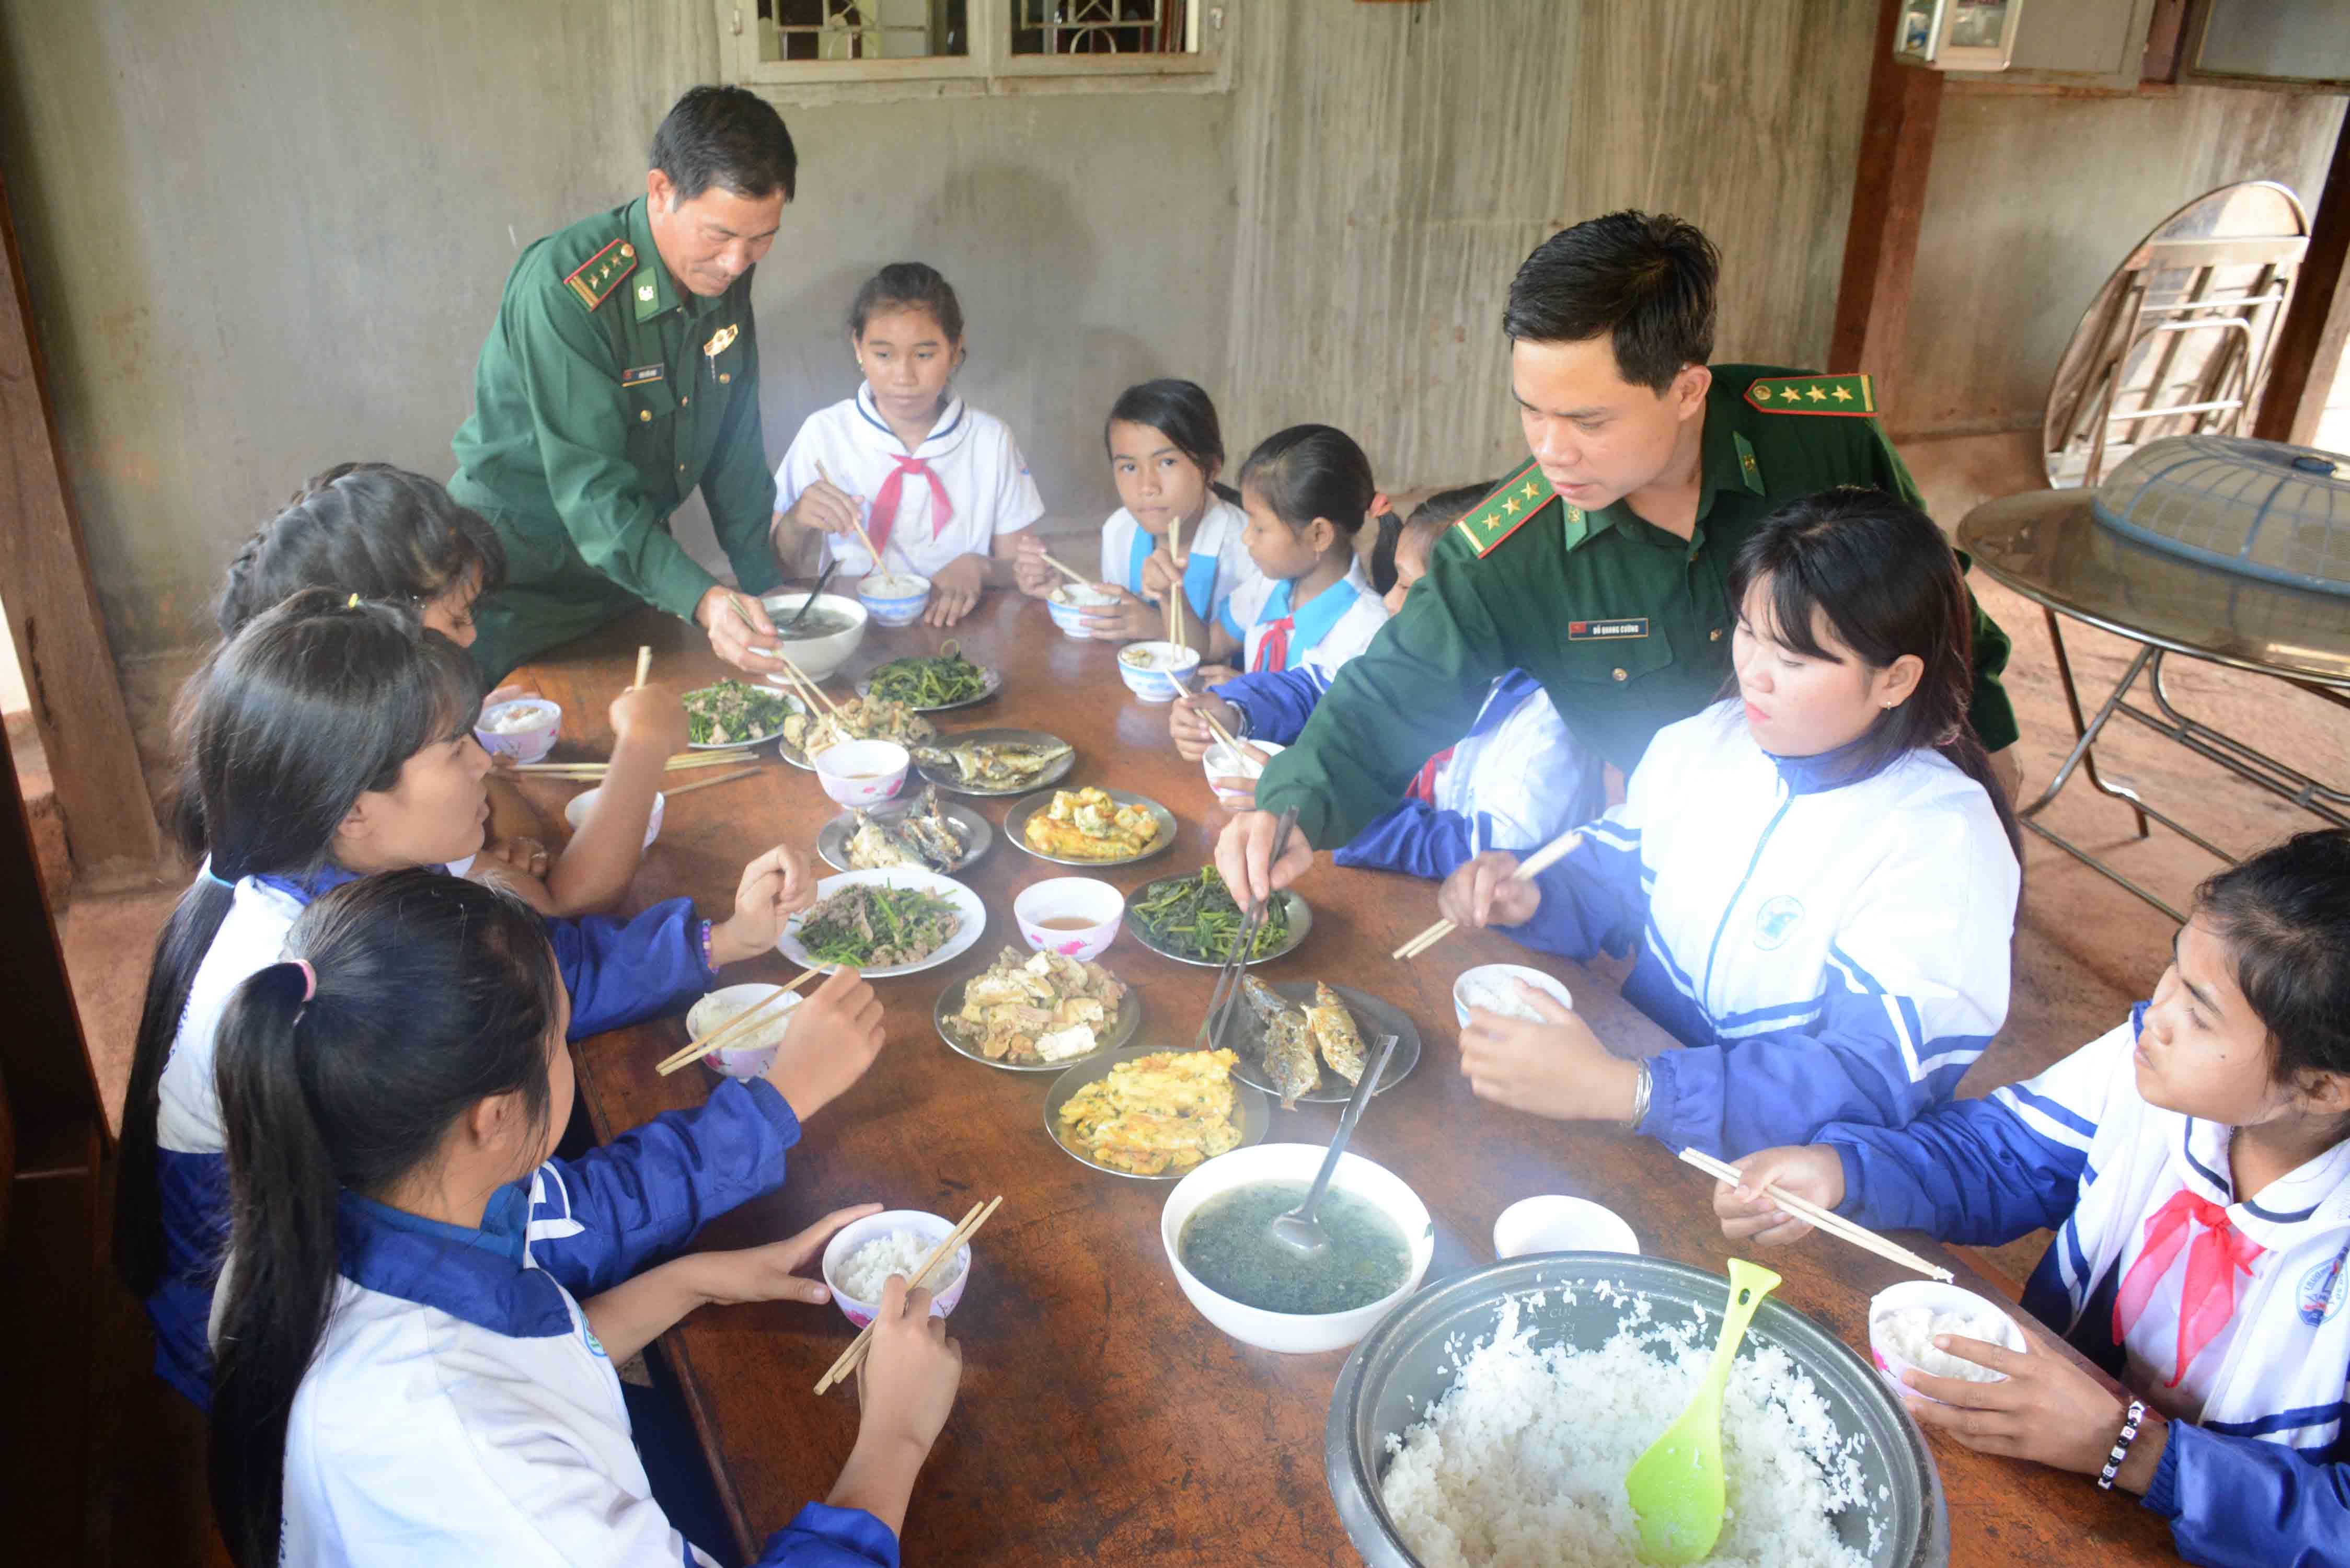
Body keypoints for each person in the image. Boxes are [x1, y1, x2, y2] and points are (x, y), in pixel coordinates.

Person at [111, 590, 862, 1409]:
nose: (485, 761)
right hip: (315, 1372)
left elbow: (522, 967)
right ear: (354, 808)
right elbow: (548, 1226)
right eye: (450, 748)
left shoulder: (312, 875)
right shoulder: (335, 985)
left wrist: (719, 941)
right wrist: (777, 1103)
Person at [1214, 211, 2021, 906]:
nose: (1549, 451)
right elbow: (1393, 695)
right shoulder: (1513, 548)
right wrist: (1290, 808)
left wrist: (1994, 770)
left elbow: (1941, 615)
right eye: (1531, 412)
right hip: (1685, 865)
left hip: (1870, 834)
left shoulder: (1821, 441)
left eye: (1588, 421)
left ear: (1687, 390)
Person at [207, 870, 950, 1567]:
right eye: (561, 1042)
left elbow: (516, 1364)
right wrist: (896, 1437)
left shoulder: (315, 1211)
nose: (568, 1056)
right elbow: (493, 1410)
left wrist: (688, 1282)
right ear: (493, 1118)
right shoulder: (476, 1461)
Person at [1714, 830, 2350, 1567]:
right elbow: (2004, 1155)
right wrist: (1848, 1171)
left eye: (2201, 1015)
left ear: (2321, 1087)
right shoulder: (2148, 1070)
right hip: (2045, 1489)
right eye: (2175, 967)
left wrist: (2139, 1453)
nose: (2157, 1009)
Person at [1434, 488, 2021, 1157]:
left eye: (1793, 660)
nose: (1752, 676)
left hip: (1777, 1183)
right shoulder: (1706, 743)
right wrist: (1533, 891)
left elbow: (1868, 1073)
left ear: (1894, 679)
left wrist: (1633, 1092)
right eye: (1747, 631)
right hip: (1631, 1099)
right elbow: (1620, 869)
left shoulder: (1942, 841)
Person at [450, 86, 802, 683]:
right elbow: (590, 491)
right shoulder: (568, 290)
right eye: (720, 235)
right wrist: (703, 597)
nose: (739, 262)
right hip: (513, 588)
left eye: (762, 237)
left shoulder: (721, 274)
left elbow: (734, 451)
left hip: (623, 581)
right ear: (661, 190)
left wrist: (771, 592)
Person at [216, 463, 670, 917]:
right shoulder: (371, 813)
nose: (470, 636)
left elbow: (522, 842)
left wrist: (457, 741)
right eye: (455, 619)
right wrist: (643, 745)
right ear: (371, 632)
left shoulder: (323, 749)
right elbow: (564, 908)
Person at [1173, 483, 1603, 880]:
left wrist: (1338, 819)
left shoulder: (1543, 717)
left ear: (1484, 605)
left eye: (1411, 588)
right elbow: (1320, 689)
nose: (1392, 601)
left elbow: (1494, 852)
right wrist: (1234, 709)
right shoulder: (1415, 656)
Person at [770, 263, 1043, 628]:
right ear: (858, 348)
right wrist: (797, 520)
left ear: (955, 350)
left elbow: (1023, 572)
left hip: (965, 630)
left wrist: (979, 566)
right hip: (852, 632)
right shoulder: (824, 433)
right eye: (883, 355)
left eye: (924, 355)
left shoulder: (990, 440)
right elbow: (775, 568)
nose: (904, 376)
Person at [1012, 377, 1260, 645]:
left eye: (1167, 462)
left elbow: (1258, 665)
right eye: (1129, 467)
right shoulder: (1120, 530)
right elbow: (1122, 639)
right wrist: (1062, 592)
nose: (1146, 487)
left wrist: (1157, 628)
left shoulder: (1250, 550)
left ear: (1210, 468)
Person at [1206, 424, 1390, 677]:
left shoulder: (1368, 633)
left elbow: (1337, 717)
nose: (1246, 537)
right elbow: (1212, 645)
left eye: (1259, 527)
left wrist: (1250, 698)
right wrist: (1171, 596)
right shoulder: (1267, 587)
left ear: (1319, 535)